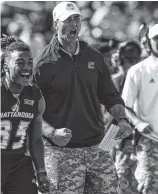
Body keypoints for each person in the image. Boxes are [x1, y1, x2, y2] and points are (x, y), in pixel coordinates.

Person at [34, 2, 132, 194]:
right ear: (56, 24)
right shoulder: (42, 63)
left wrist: (121, 119)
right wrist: (52, 133)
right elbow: (31, 110)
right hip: (60, 152)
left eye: (77, 19)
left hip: (98, 148)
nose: (74, 24)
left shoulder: (94, 57)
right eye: (67, 20)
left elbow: (110, 96)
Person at [1, 36, 50, 194]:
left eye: (30, 62)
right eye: (19, 63)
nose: (27, 68)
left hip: (19, 164)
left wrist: (41, 171)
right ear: (5, 67)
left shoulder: (35, 95)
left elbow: (36, 140)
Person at [122, 23, 158, 194]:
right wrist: (107, 146)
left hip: (127, 142)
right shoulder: (134, 73)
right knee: (145, 186)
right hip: (144, 140)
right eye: (127, 59)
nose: (130, 62)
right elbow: (120, 110)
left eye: (133, 57)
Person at [109, 41, 141, 194]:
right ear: (119, 60)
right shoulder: (113, 83)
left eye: (135, 60)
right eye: (129, 60)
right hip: (117, 142)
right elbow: (109, 121)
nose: (132, 64)